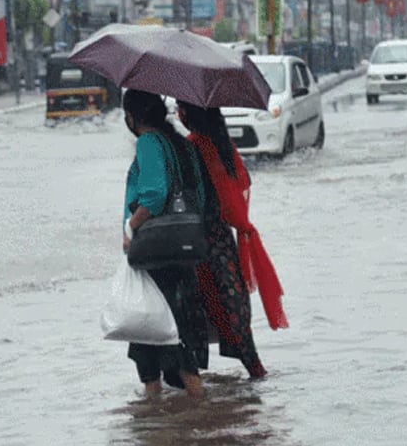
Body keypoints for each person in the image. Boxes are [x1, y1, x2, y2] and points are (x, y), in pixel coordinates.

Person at [176, 101, 288, 379]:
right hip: (223, 241)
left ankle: (191, 387)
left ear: (190, 114)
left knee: (196, 313)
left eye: (181, 107)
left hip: (197, 243)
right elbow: (241, 184)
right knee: (232, 308)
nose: (178, 113)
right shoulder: (223, 146)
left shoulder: (193, 148)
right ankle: (255, 371)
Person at [122, 89, 210, 399]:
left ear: (131, 117)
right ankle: (184, 415)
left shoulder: (148, 143)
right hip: (185, 247)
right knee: (174, 329)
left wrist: (130, 226)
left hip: (156, 252)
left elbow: (155, 196)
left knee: (155, 331)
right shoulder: (181, 144)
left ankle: (156, 411)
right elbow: (198, 196)